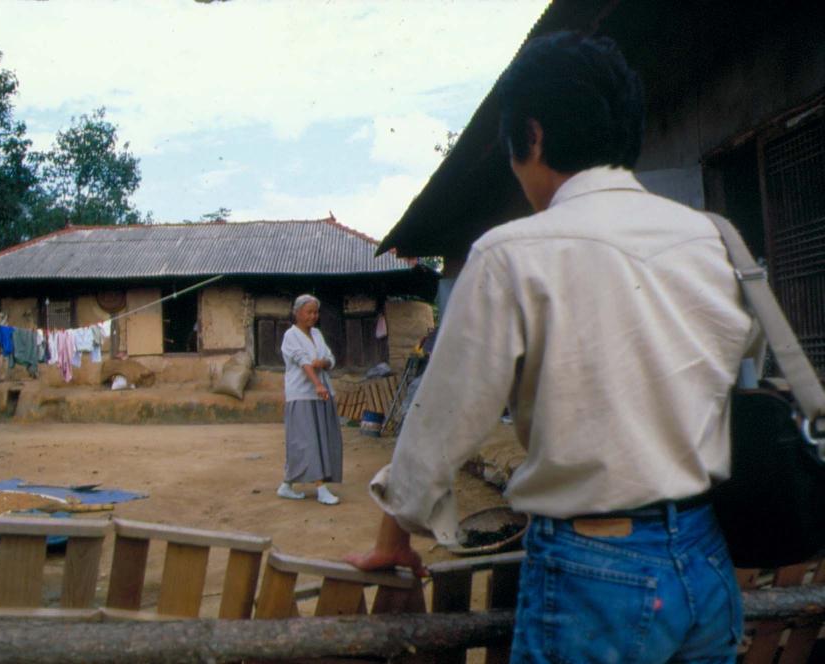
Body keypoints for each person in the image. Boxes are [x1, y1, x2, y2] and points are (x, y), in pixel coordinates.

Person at [347, 31, 762, 663]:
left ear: (532, 136)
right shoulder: (715, 242)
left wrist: (395, 534)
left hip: (598, 572)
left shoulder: (511, 253)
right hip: (706, 560)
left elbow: (442, 419)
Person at [277, 294, 343, 505]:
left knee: (321, 440)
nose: (314, 316)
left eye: (316, 312)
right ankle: (320, 488)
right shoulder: (291, 336)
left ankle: (286, 485)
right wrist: (317, 384)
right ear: (297, 313)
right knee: (308, 442)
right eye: (309, 312)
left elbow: (330, 359)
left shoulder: (317, 334)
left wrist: (323, 362)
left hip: (322, 395)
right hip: (303, 395)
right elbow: (303, 362)